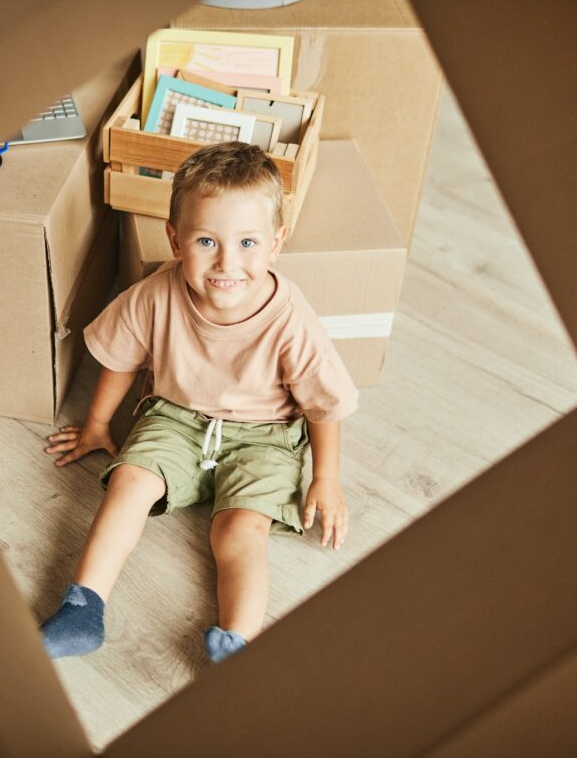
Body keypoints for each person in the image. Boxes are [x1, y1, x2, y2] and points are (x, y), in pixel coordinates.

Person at [39, 141, 358, 663]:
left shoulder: (291, 318)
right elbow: (119, 357)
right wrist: (98, 424)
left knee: (240, 531)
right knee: (128, 483)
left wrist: (326, 477)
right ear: (175, 238)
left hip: (265, 436)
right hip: (175, 416)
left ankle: (234, 642)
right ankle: (82, 608)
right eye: (207, 240)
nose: (227, 263)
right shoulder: (156, 293)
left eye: (248, 242)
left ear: (277, 242)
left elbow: (324, 404)